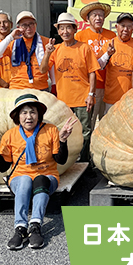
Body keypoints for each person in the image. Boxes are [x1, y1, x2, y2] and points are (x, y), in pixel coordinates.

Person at [0, 94, 78, 249]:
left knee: (40, 179)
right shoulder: (10, 136)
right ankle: (20, 228)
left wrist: (63, 141)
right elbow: (3, 167)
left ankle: (35, 225)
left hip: (47, 177)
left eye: (32, 112)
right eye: (24, 112)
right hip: (20, 179)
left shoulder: (51, 130)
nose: (29, 116)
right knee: (25, 180)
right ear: (17, 116)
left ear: (39, 115)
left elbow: (60, 160)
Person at [39, 12, 99, 161]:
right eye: (61, 28)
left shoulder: (84, 48)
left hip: (82, 99)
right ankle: (67, 162)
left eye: (68, 28)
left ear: (74, 29)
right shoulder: (56, 49)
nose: (65, 32)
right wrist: (47, 53)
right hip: (63, 101)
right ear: (58, 31)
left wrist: (91, 95)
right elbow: (42, 69)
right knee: (64, 132)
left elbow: (92, 72)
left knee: (85, 132)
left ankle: (84, 162)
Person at [76, 1, 116, 123]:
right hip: (91, 86)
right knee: (90, 121)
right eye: (94, 15)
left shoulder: (111, 35)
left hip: (110, 86)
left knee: (108, 121)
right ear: (87, 19)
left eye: (101, 15)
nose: (98, 18)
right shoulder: (80, 36)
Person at [0, 11, 51, 91]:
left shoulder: (46, 42)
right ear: (18, 27)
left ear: (35, 25)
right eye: (24, 25)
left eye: (31, 24)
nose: (28, 28)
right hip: (17, 87)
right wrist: (11, 36)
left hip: (40, 87)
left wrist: (53, 85)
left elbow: (52, 67)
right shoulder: (12, 42)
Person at [97, 12, 133, 113]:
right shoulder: (109, 44)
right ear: (116, 27)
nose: (125, 29)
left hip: (132, 98)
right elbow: (99, 66)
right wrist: (108, 54)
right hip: (111, 98)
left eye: (129, 26)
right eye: (123, 26)